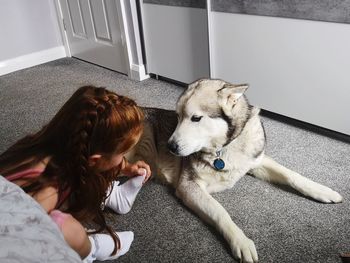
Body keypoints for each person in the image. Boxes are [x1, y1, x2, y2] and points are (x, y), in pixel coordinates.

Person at [0, 86, 151, 262]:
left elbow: (102, 159)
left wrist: (127, 168)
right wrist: (82, 243)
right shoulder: (46, 194)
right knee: (69, 232)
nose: (124, 158)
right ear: (93, 160)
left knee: (99, 170)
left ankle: (112, 194)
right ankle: (94, 249)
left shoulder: (63, 142)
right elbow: (30, 242)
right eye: (122, 154)